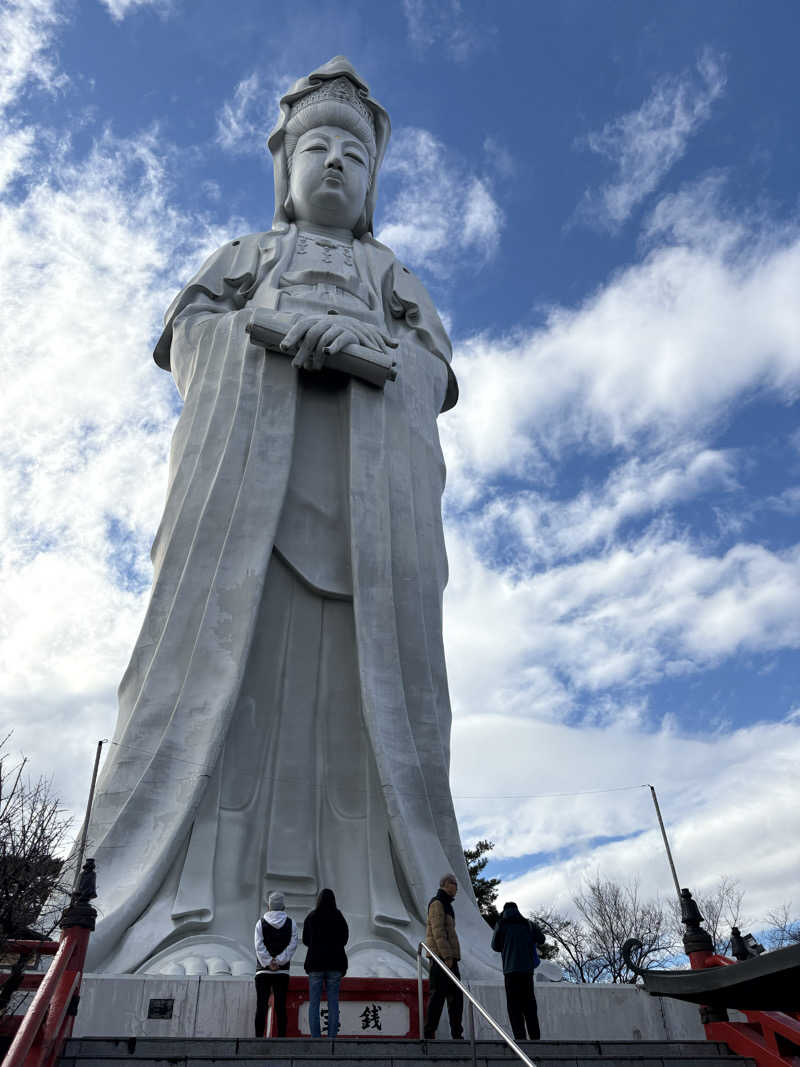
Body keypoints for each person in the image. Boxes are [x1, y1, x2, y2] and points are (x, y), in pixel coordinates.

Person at [80, 55, 497, 982]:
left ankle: (389, 920)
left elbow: (432, 375)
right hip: (245, 523)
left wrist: (370, 351)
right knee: (230, 702)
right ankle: (193, 921)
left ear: (375, 182)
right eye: (318, 146)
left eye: (355, 152)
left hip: (364, 530)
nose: (337, 165)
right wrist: (270, 334)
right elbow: (191, 340)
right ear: (285, 168)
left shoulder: (393, 278)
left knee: (363, 718)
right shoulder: (245, 259)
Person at [491, 901, 545, 1041]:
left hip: (510, 972)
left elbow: (495, 946)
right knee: (530, 1006)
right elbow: (542, 939)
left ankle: (520, 1039)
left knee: (514, 1007)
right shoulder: (527, 924)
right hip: (527, 972)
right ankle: (535, 1039)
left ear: (504, 911)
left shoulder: (501, 925)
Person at [302, 888, 349, 1038]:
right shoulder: (339, 917)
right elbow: (344, 939)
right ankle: (331, 1038)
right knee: (333, 1003)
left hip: (315, 965)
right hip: (335, 965)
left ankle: (316, 1038)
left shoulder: (312, 917)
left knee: (314, 1004)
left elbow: (305, 940)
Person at [423, 874, 463, 1040]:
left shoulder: (447, 904)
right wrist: (447, 955)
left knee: (456, 997)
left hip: (449, 957)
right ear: (446, 884)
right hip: (440, 957)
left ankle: (457, 1034)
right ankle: (428, 1031)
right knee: (438, 996)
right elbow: (438, 931)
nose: (457, 889)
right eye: (455, 884)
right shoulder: (437, 903)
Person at [254, 891, 299, 1037]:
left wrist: (268, 962)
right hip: (282, 972)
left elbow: (258, 945)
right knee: (280, 1006)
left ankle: (258, 1036)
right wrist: (280, 961)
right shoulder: (291, 923)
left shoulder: (260, 923)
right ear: (283, 907)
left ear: (269, 906)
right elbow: (293, 945)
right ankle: (281, 1038)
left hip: (263, 972)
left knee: (261, 1005)